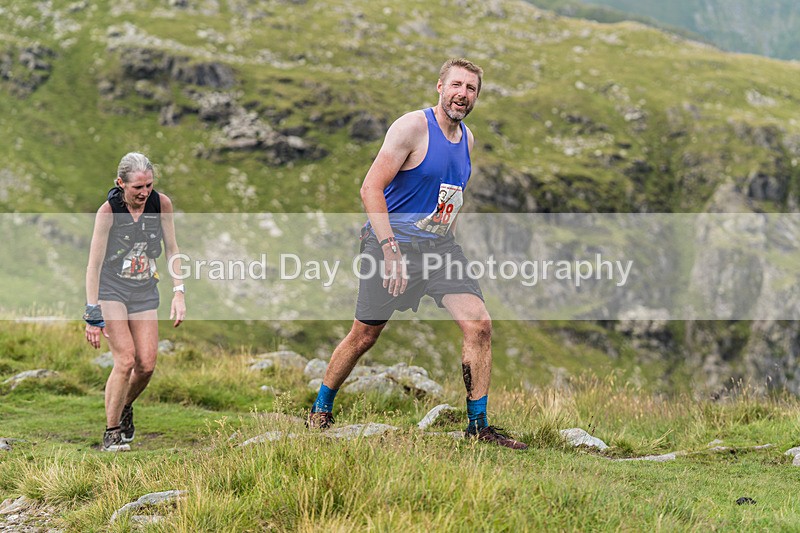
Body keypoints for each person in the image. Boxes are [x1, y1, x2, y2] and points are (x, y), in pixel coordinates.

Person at [307, 59, 527, 450]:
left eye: (471, 88)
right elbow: (370, 189)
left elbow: (451, 198)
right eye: (456, 85)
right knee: (365, 335)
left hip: (439, 250)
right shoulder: (411, 127)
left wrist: (449, 248)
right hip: (390, 244)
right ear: (440, 86)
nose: (463, 94)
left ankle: (478, 426)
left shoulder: (468, 140)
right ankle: (320, 407)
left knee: (479, 325)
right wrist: (390, 251)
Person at [84, 152, 186, 452]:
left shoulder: (160, 204)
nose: (144, 193)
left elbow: (172, 248)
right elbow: (94, 265)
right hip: (111, 289)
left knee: (147, 365)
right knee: (125, 359)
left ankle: (125, 405)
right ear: (120, 183)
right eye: (137, 188)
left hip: (144, 290)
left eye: (148, 186)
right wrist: (92, 313)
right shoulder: (108, 212)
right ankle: (112, 431)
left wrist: (179, 291)